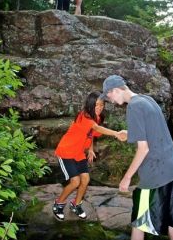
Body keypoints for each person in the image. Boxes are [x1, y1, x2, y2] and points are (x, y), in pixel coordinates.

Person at [100, 75, 173, 240]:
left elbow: (144, 148)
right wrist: (128, 132)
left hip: (155, 172)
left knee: (139, 222)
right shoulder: (146, 100)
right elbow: (153, 130)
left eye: (109, 96)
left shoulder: (133, 107)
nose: (111, 101)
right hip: (171, 166)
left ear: (115, 90)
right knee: (170, 215)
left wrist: (127, 177)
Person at [53, 91, 126, 221]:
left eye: (102, 105)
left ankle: (76, 204)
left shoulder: (96, 118)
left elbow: (91, 133)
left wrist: (91, 149)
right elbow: (96, 128)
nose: (99, 108)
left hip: (78, 153)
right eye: (96, 105)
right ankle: (58, 204)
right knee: (75, 181)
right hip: (66, 152)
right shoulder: (84, 116)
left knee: (85, 179)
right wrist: (116, 133)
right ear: (90, 104)